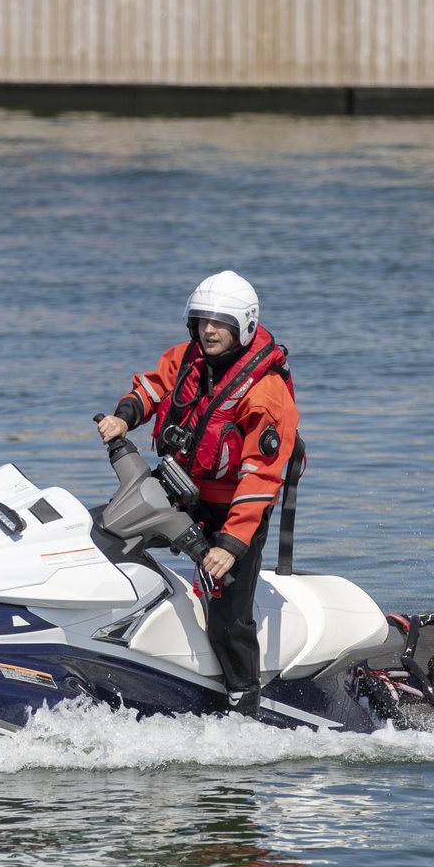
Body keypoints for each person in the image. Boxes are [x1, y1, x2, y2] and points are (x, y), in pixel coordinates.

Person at [95, 271, 300, 716]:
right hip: (177, 492)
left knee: (227, 616)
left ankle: (243, 703)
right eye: (202, 319)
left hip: (232, 514)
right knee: (99, 536)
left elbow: (261, 477)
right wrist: (124, 418)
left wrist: (230, 545)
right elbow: (151, 387)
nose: (208, 329)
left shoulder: (265, 393)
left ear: (243, 326)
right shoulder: (186, 357)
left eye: (220, 322)